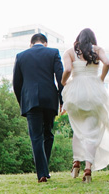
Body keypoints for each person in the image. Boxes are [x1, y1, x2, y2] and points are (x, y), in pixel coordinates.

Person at [60, 28, 109, 182]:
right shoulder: (98, 50)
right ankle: (87, 169)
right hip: (94, 92)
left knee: (78, 129)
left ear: (78, 38)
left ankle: (76, 161)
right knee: (91, 133)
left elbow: (67, 69)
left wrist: (64, 82)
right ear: (93, 39)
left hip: (75, 94)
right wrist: (101, 78)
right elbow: (107, 62)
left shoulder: (70, 52)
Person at [12, 33, 63, 183]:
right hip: (49, 99)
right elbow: (60, 78)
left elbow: (16, 84)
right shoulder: (53, 52)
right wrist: (62, 100)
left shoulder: (21, 56)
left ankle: (42, 172)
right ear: (45, 43)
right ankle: (44, 168)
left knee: (36, 136)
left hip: (31, 100)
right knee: (48, 133)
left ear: (31, 44)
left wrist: (23, 102)